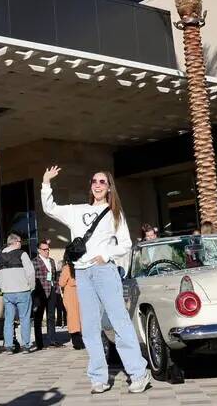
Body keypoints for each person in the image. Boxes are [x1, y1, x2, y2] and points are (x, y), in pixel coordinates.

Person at [42, 165, 151, 394]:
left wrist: (106, 256)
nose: (98, 184)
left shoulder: (114, 214)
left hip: (104, 272)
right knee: (90, 327)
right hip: (82, 273)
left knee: (119, 321)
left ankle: (138, 373)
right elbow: (49, 208)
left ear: (109, 187)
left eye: (102, 181)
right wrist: (46, 182)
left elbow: (126, 244)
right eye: (94, 181)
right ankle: (98, 377)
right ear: (91, 186)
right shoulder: (77, 210)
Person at [0, 232, 35, 353]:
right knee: (24, 319)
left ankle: (9, 345)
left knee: (8, 319)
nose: (21, 244)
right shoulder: (22, 254)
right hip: (23, 290)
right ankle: (26, 345)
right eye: (20, 242)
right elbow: (30, 272)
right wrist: (31, 287)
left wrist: (3, 287)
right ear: (15, 242)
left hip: (7, 292)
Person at [31, 241, 60, 348]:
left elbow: (55, 276)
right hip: (40, 292)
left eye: (48, 249)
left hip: (51, 291)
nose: (47, 251)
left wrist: (56, 290)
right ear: (39, 250)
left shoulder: (51, 261)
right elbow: (31, 277)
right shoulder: (34, 261)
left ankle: (52, 339)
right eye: (44, 249)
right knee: (38, 317)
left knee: (51, 316)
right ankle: (39, 343)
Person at [57, 262, 83, 350]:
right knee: (81, 317)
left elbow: (61, 283)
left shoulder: (67, 268)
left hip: (70, 294)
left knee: (72, 317)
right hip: (81, 293)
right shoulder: (81, 266)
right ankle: (83, 340)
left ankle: (77, 342)